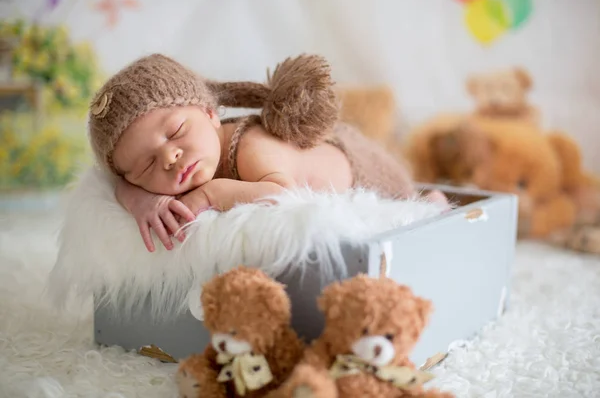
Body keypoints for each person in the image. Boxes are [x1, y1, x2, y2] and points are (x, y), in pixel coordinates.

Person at [87, 53, 447, 253]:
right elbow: (113, 183)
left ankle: (432, 204)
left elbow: (282, 196)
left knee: (410, 214)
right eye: (146, 164)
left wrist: (211, 193)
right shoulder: (166, 169)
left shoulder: (249, 146)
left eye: (176, 131)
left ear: (211, 113)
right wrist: (140, 201)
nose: (169, 158)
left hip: (365, 172)